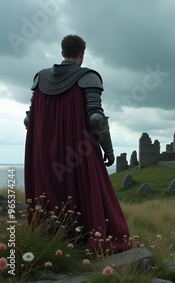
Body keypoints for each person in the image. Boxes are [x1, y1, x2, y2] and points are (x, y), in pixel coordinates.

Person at [24, 35, 130, 251]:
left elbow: (29, 119)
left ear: (62, 52)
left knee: (49, 191)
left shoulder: (40, 79)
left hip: (44, 154)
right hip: (78, 151)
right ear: (82, 53)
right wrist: (108, 150)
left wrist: (43, 143)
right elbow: (96, 119)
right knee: (83, 189)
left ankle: (53, 237)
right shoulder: (88, 77)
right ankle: (87, 238)